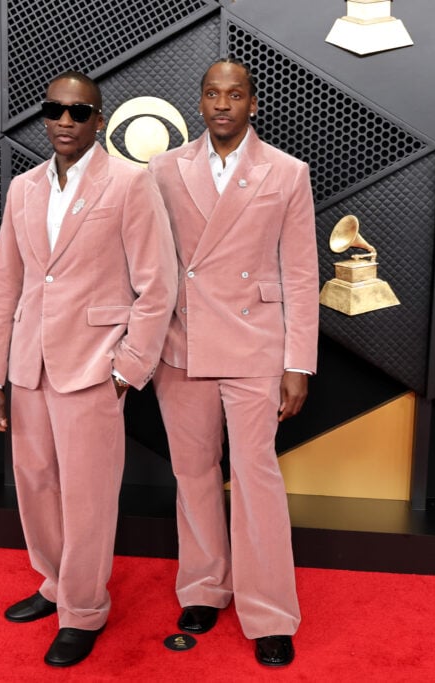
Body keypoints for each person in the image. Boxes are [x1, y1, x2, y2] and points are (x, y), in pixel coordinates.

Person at [0, 70, 177, 667]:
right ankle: (55, 586)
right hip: (29, 364)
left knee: (88, 495)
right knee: (35, 484)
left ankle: (85, 610)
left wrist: (126, 369)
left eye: (78, 112)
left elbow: (157, 286)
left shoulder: (130, 183)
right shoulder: (24, 188)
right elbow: (5, 284)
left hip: (94, 367)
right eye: (55, 110)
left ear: (100, 120)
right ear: (44, 116)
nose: (65, 121)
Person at [147, 58, 319, 666]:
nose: (224, 103)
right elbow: (149, 262)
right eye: (213, 93)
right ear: (200, 102)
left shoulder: (287, 172)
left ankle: (269, 610)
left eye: (236, 94)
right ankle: (203, 587)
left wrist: (298, 362)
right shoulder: (164, 169)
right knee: (192, 474)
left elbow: (300, 273)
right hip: (182, 343)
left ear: (253, 103)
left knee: (256, 478)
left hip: (256, 345)